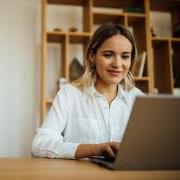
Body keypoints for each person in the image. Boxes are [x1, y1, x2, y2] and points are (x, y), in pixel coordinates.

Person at [31, 23, 144, 159]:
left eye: (125, 56)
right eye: (108, 55)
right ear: (92, 56)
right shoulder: (69, 94)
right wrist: (95, 149)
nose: (117, 64)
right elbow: (40, 144)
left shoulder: (139, 99)